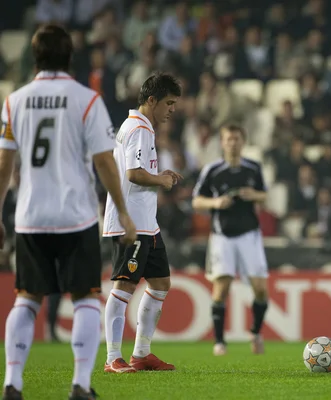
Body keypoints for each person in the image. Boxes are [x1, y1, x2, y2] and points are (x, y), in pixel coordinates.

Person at [0, 24, 136, 400]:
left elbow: (4, 164)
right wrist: (122, 211)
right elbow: (106, 163)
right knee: (86, 300)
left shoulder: (15, 101)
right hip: (75, 215)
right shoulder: (86, 100)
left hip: (29, 216)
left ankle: (12, 383)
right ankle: (79, 384)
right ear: (70, 58)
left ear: (35, 57)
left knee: (25, 300)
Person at [102, 72, 183, 373]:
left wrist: (159, 174)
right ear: (152, 100)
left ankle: (142, 353)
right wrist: (161, 179)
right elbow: (133, 174)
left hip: (147, 223)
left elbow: (138, 171)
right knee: (124, 287)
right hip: (131, 223)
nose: (172, 109)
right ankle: (112, 358)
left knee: (161, 283)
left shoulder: (141, 127)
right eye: (169, 103)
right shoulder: (138, 128)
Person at [192, 124, 269, 356]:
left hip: (249, 234)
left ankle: (255, 333)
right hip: (222, 236)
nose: (233, 143)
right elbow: (196, 201)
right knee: (221, 288)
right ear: (222, 143)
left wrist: (253, 195)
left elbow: (265, 195)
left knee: (260, 289)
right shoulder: (212, 170)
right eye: (228, 139)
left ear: (243, 142)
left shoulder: (253, 168)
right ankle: (219, 342)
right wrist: (215, 203)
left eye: (236, 139)